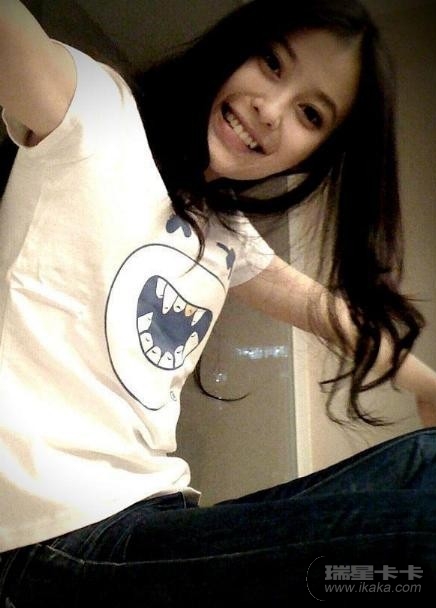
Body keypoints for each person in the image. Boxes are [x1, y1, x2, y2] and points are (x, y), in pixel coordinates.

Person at [0, 0, 435, 604]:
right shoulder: (93, 110)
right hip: (46, 535)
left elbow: (325, 310)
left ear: (316, 154)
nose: (269, 110)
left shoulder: (224, 231)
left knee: (428, 457)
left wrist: (426, 384)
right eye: (271, 63)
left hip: (152, 513)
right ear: (236, 46)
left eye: (310, 113)